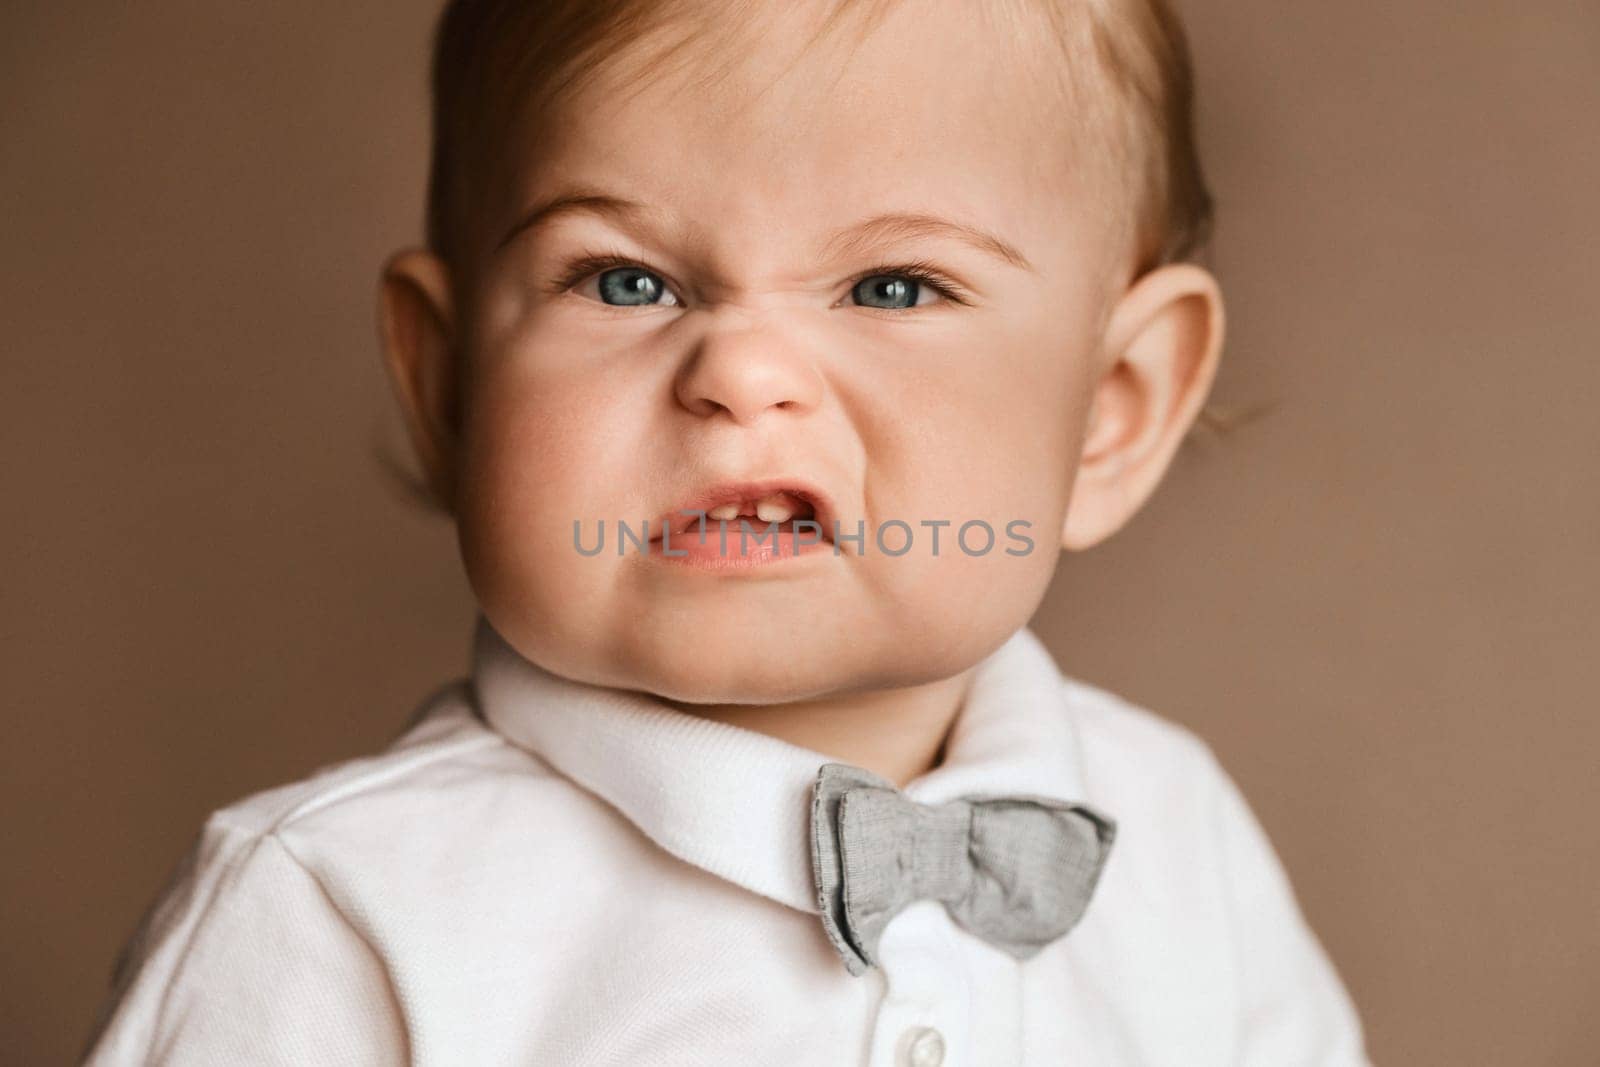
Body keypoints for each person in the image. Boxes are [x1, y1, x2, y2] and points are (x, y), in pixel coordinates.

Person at [82, 1, 1371, 1063]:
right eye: (624, 280)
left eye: (893, 286)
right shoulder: (335, 912)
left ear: (1110, 413)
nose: (744, 373)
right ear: (450, 386)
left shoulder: (1173, 831)